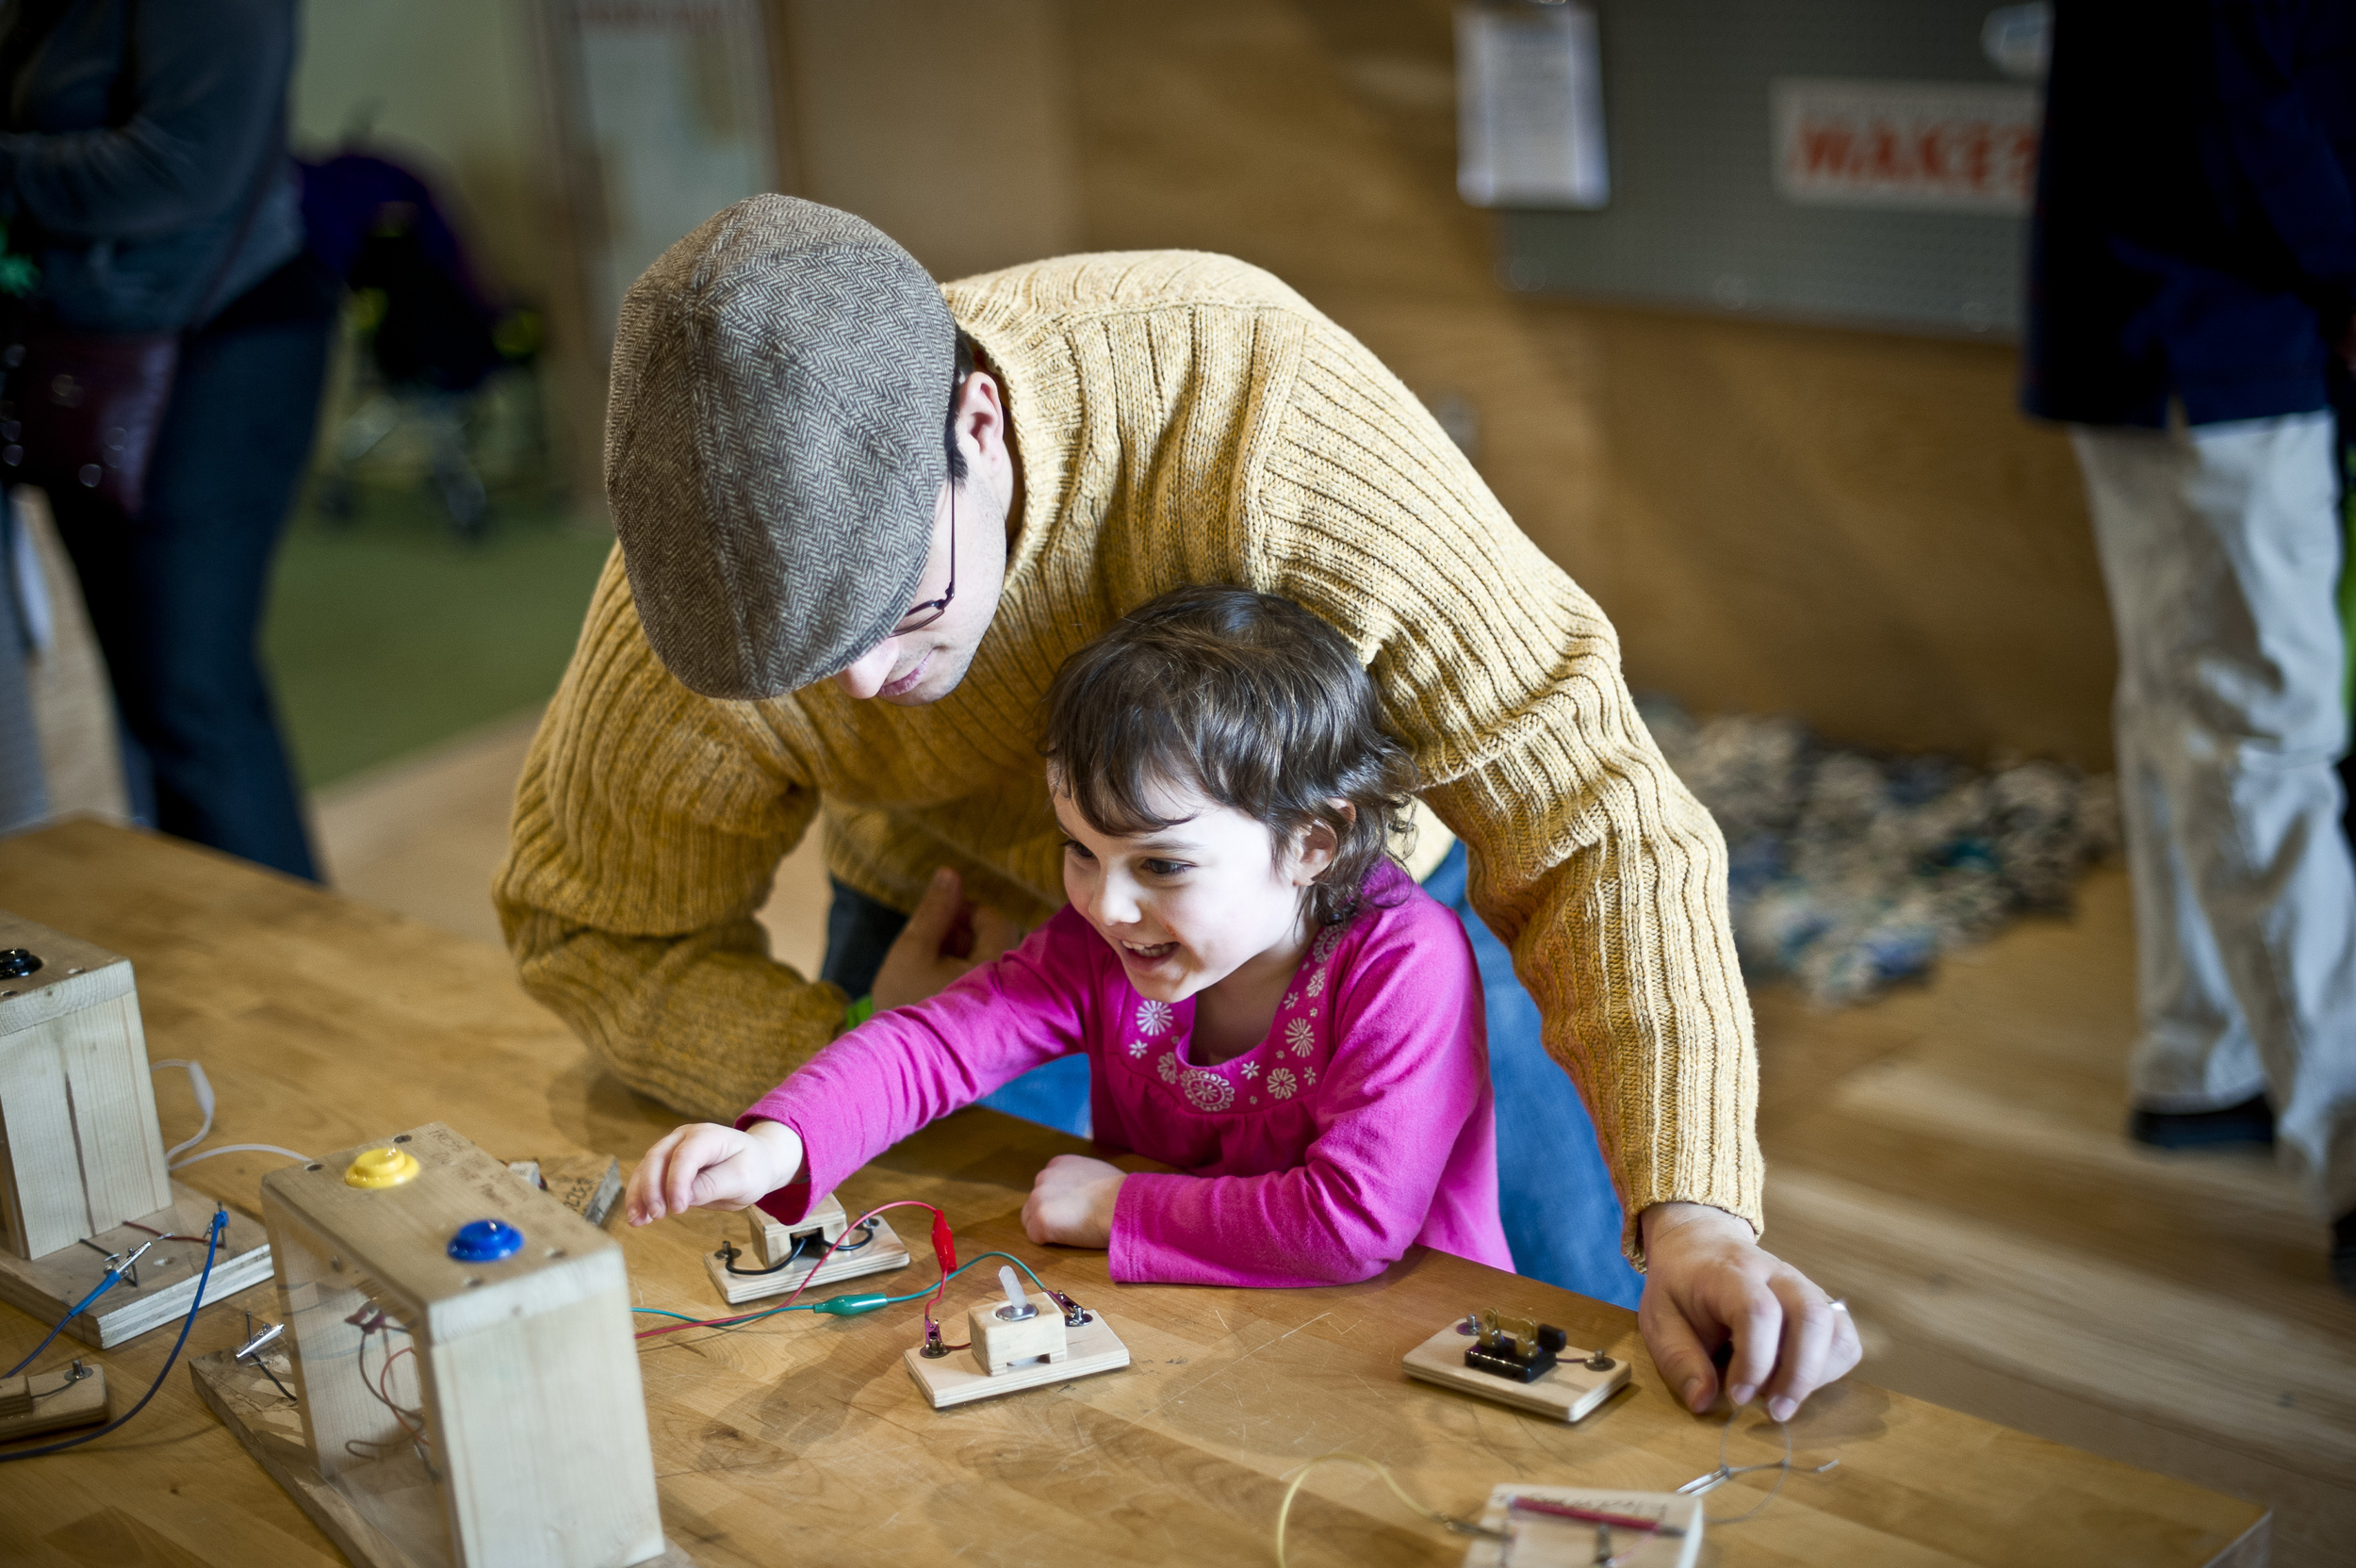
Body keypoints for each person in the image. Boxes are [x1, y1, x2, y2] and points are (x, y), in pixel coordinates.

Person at [499, 197, 1859, 1418]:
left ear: (977, 425)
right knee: (1041, 1398)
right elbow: (594, 931)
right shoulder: (692, 603)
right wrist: (854, 1038)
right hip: (990, 949)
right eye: (804, 662)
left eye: (904, 610)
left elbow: (1590, 809)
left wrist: (1696, 1210)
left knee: (1586, 1336)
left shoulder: (1254, 410)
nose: (859, 683)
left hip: (1359, 923)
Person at [628, 586, 1513, 1287]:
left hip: (1411, 1350)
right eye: (1080, 852)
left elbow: (1348, 1227)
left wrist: (1122, 1211)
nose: (1106, 906)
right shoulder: (1105, 945)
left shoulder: (1408, 965)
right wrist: (776, 1146)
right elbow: (931, 1044)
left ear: (1311, 843)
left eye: (1162, 866)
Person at [2024, 0, 2356, 1291]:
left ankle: (2202, 1058)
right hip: (2217, 325)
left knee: (2185, 713)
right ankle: (2350, 1152)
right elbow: (2243, 93)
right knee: (2257, 738)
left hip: (2164, 315)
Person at [0, 0, 330, 878]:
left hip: (215, 352)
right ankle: (213, 944)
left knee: (195, 698)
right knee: (147, 697)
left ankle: (290, 969)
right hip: (89, 354)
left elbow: (181, 168)